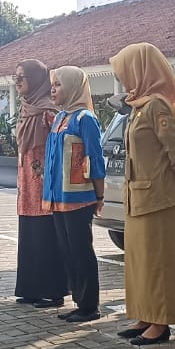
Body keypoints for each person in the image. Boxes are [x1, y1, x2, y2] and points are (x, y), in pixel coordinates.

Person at [113, 42, 175, 346]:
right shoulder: (140, 106)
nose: (123, 80)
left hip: (158, 198)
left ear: (140, 70)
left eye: (125, 72)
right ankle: (145, 315)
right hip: (138, 197)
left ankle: (161, 322)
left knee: (159, 262)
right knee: (140, 262)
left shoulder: (158, 105)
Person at [42, 66, 106, 323]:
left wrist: (99, 196)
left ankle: (90, 306)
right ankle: (79, 302)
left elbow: (95, 158)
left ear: (72, 87)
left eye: (58, 85)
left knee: (81, 251)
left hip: (79, 198)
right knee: (67, 251)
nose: (53, 90)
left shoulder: (85, 119)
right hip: (58, 198)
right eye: (53, 85)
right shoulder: (60, 118)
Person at [13, 58, 67, 308]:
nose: (17, 82)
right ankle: (31, 289)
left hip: (45, 187)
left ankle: (54, 292)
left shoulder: (48, 112)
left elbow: (61, 148)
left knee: (47, 238)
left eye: (21, 77)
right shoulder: (26, 109)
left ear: (35, 79)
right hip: (27, 187)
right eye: (15, 77)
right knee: (30, 238)